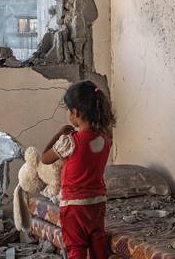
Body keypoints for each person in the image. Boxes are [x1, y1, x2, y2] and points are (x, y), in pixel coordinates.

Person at [41, 80, 115, 259]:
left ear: (76, 113)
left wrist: (59, 134)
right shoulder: (106, 137)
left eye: (69, 110)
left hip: (74, 206)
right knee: (98, 243)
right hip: (97, 203)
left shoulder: (70, 141)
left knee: (76, 248)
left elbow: (45, 158)